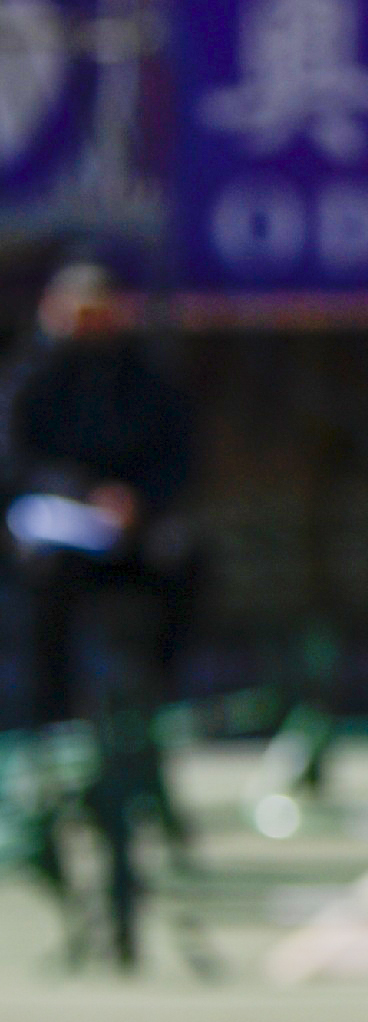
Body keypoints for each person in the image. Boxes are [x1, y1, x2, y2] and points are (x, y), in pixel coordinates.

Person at [3, 263, 200, 730]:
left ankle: (158, 702)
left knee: (185, 560)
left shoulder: (144, 375)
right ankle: (53, 719)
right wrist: (85, 494)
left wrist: (137, 499)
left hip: (132, 527)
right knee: (46, 575)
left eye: (99, 314)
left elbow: (178, 454)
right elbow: (17, 460)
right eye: (79, 315)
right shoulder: (31, 377)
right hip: (60, 528)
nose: (89, 326)